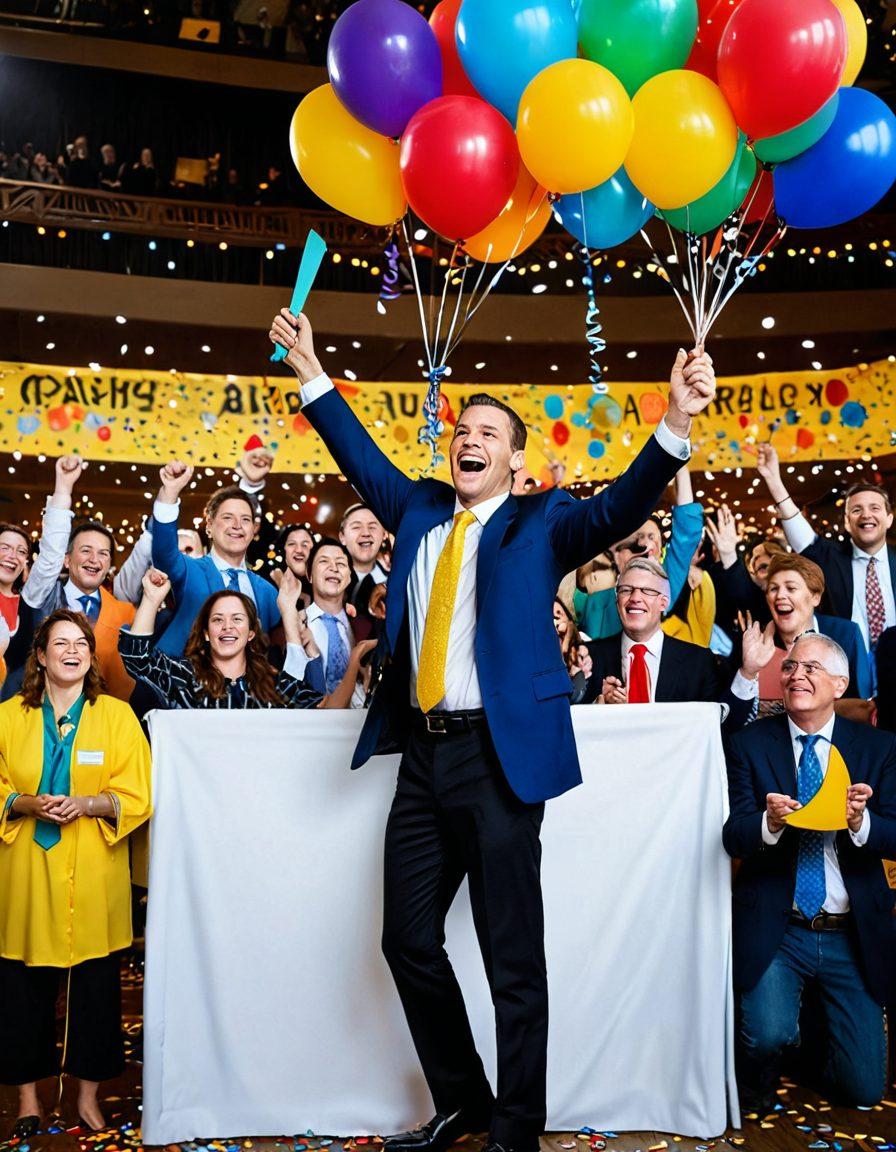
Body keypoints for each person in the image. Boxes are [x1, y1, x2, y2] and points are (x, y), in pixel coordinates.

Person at [270, 306, 716, 1152]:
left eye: (487, 433)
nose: (468, 440)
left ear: (514, 458)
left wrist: (677, 423)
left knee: (514, 961)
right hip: (422, 758)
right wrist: (310, 369)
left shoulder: (543, 522)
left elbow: (622, 504)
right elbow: (357, 454)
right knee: (406, 938)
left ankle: (515, 1131)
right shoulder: (417, 509)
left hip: (499, 760)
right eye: (461, 430)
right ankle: (465, 1101)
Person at [722, 632, 896, 1111]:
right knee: (765, 1036)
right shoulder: (748, 745)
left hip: (850, 931)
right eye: (790, 667)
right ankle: (775, 1047)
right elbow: (732, 835)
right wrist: (769, 822)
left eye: (811, 668)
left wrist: (862, 824)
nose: (796, 675)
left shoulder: (878, 748)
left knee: (863, 1091)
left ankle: (809, 1038)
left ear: (840, 684)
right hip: (780, 929)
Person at [0, 610, 152, 1136]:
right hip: (25, 869)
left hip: (93, 869)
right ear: (40, 657)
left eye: (81, 644)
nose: (72, 651)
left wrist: (89, 803)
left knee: (94, 989)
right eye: (60, 643)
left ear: (91, 656)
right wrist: (23, 802)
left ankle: (87, 1097)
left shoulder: (116, 717)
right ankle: (27, 1099)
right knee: (22, 988)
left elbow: (139, 793)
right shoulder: (8, 717)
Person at [119, 569, 364, 709]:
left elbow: (328, 710)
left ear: (250, 633)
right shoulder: (183, 675)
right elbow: (137, 659)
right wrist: (151, 599)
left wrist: (355, 659)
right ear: (206, 633)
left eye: (237, 619)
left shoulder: (274, 683)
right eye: (217, 620)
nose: (227, 626)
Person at [586, 557, 767, 730]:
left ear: (664, 603)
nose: (635, 597)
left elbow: (724, 726)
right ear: (617, 600)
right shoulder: (589, 657)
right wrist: (599, 707)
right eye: (626, 590)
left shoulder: (698, 661)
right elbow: (572, 722)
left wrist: (748, 673)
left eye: (647, 590)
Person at [756, 444, 895, 658]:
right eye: (856, 510)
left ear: (889, 519)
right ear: (847, 522)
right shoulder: (830, 557)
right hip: (843, 666)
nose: (866, 515)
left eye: (874, 508)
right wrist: (774, 480)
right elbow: (800, 533)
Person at [150, 466, 280, 656]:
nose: (237, 525)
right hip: (183, 672)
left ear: (253, 530)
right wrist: (169, 493)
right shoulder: (190, 570)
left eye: (245, 519)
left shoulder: (268, 593)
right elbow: (164, 553)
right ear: (209, 527)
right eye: (228, 517)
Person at [572, 465, 704, 641]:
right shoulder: (593, 602)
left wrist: (681, 467)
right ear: (615, 554)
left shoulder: (661, 590)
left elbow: (686, 531)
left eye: (652, 538)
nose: (643, 545)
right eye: (635, 539)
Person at [744, 553, 871, 717]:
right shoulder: (754, 644)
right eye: (773, 589)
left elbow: (863, 705)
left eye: (791, 588)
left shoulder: (847, 634)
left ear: (815, 597)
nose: (780, 595)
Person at [285, 537, 369, 706]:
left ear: (349, 576)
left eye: (341, 563)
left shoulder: (365, 628)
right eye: (324, 561)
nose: (334, 568)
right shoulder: (291, 627)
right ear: (309, 575)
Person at [704, 505, 784, 635]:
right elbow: (743, 590)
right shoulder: (753, 597)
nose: (771, 571)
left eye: (774, 561)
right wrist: (728, 555)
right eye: (761, 566)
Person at [339, 503, 388, 618]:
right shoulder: (325, 580)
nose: (366, 533)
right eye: (356, 527)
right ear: (342, 537)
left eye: (372, 527)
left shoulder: (393, 585)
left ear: (384, 534)